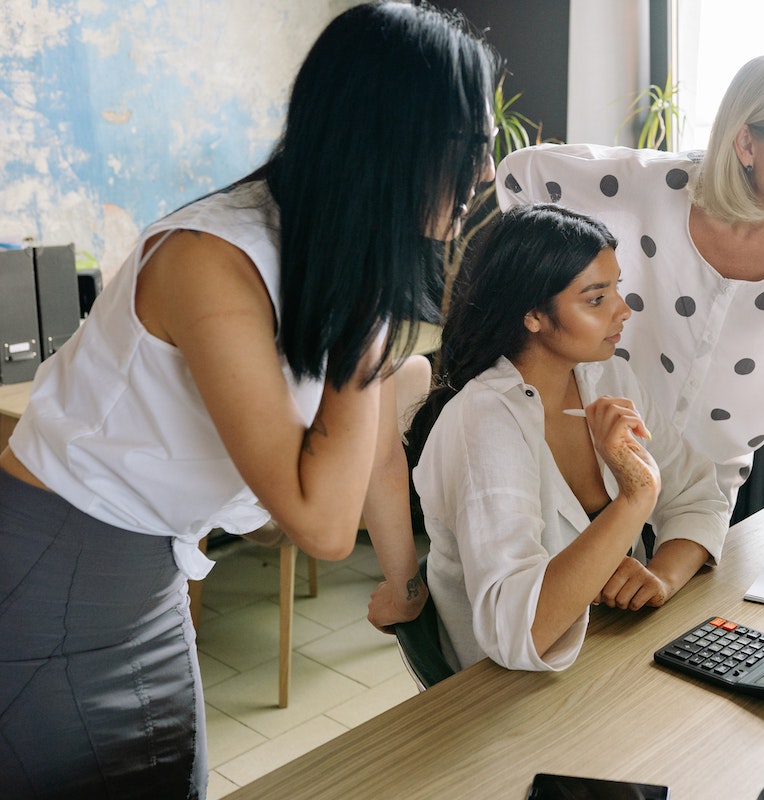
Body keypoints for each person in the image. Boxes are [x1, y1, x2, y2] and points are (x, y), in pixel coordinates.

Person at [0, 3, 495, 797]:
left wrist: (404, 589)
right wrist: (372, 339)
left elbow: (350, 457)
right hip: (59, 568)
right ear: (387, 137)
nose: (484, 174)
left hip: (148, 571)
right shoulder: (213, 260)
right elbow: (323, 524)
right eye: (469, 146)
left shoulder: (316, 250)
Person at [496, 52, 764, 512]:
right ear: (746, 143)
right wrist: (550, 336)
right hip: (586, 468)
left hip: (701, 498)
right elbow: (522, 177)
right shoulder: (655, 188)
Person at [405, 204, 728, 673]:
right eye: (596, 299)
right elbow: (519, 631)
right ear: (533, 315)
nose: (624, 310)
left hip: (613, 656)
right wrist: (636, 497)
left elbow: (699, 496)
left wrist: (660, 577)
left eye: (617, 287)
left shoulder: (609, 376)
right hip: (507, 695)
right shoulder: (484, 421)